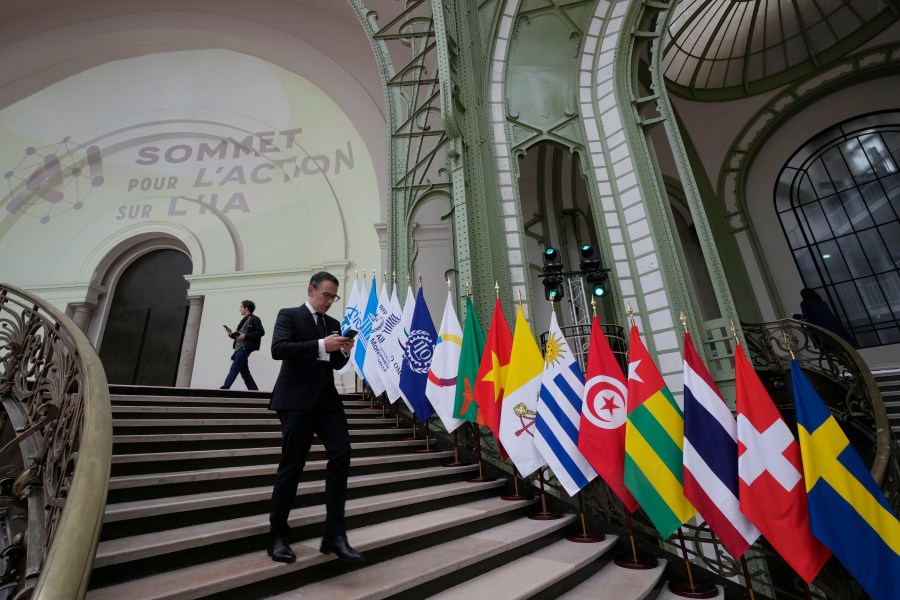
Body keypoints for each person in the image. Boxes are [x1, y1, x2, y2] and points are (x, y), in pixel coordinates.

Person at [266, 271, 361, 564]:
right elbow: (278, 349)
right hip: (295, 401)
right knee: (292, 466)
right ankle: (277, 535)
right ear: (311, 290)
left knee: (342, 454)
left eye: (334, 297)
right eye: (326, 295)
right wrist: (322, 345)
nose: (330, 301)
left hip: (327, 400)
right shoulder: (290, 315)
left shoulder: (333, 324)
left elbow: (333, 362)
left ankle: (335, 534)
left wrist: (343, 351)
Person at [221, 300, 264, 390]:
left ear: (246, 308)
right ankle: (254, 390)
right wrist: (231, 335)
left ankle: (225, 388)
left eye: (241, 307)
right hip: (239, 347)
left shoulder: (255, 319)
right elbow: (239, 336)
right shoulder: (244, 320)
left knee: (235, 367)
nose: (239, 309)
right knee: (244, 371)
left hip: (244, 347)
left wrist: (246, 336)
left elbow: (261, 332)